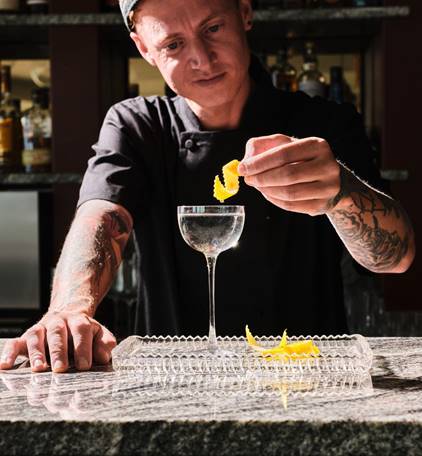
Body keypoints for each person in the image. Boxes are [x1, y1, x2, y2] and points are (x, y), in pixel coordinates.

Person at [0, 0, 415, 373]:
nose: (201, 58)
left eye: (213, 29)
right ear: (144, 48)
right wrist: (70, 308)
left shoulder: (324, 124)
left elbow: (396, 258)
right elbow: (101, 217)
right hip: (172, 380)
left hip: (307, 375)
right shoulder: (137, 125)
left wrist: (341, 192)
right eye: (173, 45)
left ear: (245, 12)